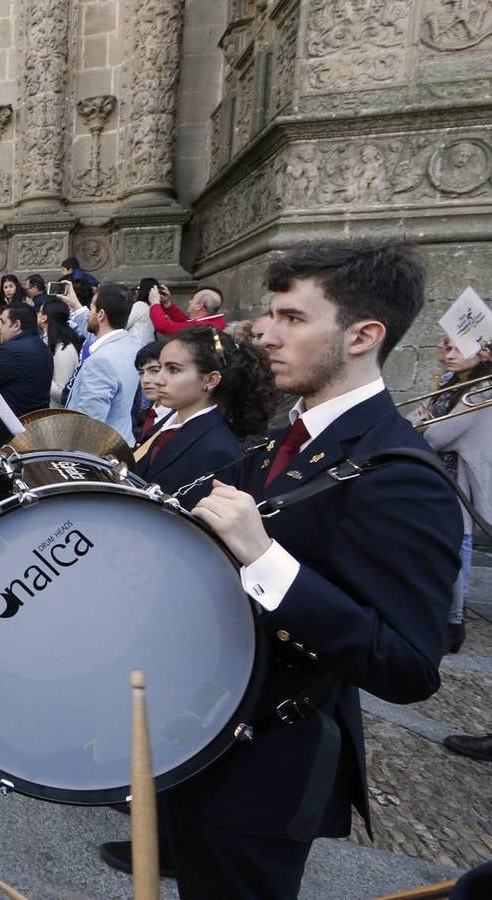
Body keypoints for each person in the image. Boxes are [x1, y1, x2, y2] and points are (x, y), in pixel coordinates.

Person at [121, 243, 462, 899]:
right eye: (271, 314)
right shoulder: (289, 437)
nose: (265, 334)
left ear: (363, 336)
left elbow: (408, 666)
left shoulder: (402, 475)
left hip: (269, 766)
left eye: (293, 318)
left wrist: (266, 559)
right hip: (207, 729)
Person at [409, 340, 491, 653]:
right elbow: (412, 420)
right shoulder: (447, 384)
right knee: (439, 544)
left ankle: (454, 623)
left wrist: (424, 423)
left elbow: (436, 435)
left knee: (455, 546)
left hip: (457, 481)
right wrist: (422, 422)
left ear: (481, 354)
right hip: (436, 476)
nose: (449, 355)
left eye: (458, 349)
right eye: (446, 348)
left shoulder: (482, 390)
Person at [137, 326, 276, 506]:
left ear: (210, 380)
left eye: (173, 370)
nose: (158, 380)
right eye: (160, 368)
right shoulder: (166, 425)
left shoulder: (218, 450)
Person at [64, 283, 141, 443]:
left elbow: (89, 426)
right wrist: (76, 305)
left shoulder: (100, 362)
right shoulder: (131, 344)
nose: (88, 313)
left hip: (99, 451)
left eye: (91, 308)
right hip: (122, 441)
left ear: (100, 315)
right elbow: (98, 334)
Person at [0, 303, 54, 417]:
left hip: (13, 420)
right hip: (36, 419)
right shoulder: (43, 347)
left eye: (3, 322)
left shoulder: (10, 351)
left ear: (17, 325)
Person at [40, 298, 82, 407]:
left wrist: (37, 375)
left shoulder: (64, 349)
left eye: (39, 312)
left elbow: (62, 394)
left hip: (56, 413)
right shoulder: (46, 341)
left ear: (44, 318)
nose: (37, 315)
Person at [132, 340, 171, 442]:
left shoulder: (179, 419)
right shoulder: (148, 414)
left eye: (154, 371)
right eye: (141, 373)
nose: (145, 380)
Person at [150, 285, 227, 335]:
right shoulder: (214, 322)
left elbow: (164, 327)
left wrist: (155, 302)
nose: (189, 301)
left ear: (199, 306)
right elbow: (186, 322)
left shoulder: (202, 326)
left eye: (192, 299)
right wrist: (167, 304)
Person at [128, 277, 157, 345]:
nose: (136, 291)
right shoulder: (154, 307)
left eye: (138, 288)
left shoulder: (139, 305)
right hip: (149, 344)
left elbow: (123, 324)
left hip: (137, 345)